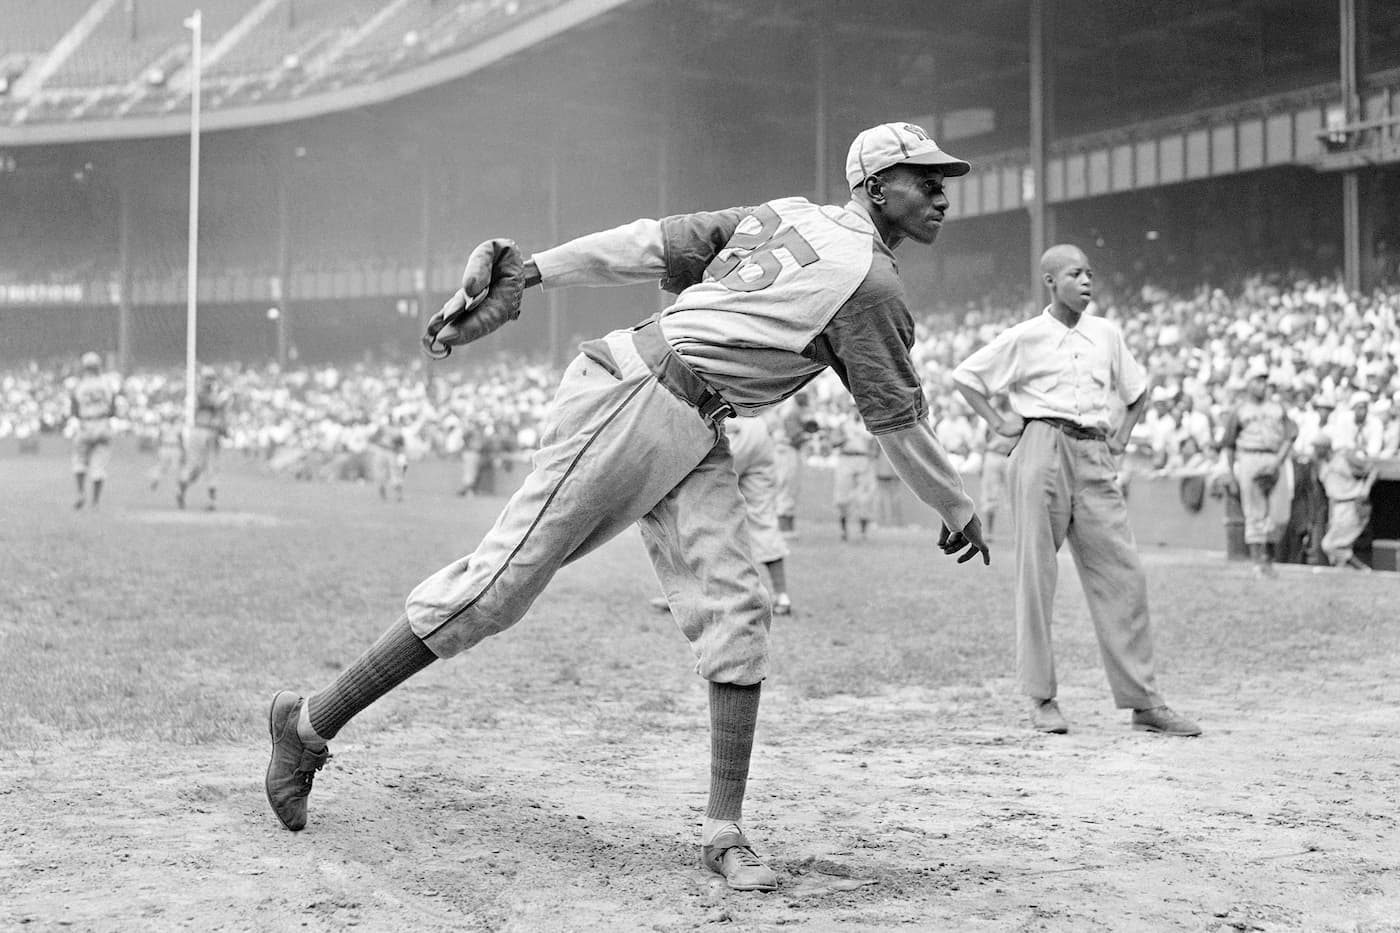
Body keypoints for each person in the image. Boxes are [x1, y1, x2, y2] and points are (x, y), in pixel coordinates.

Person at [264, 120, 990, 893]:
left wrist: (533, 271)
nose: (943, 192)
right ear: (875, 187)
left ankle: (724, 829)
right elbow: (899, 424)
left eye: (944, 178)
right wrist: (956, 505)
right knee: (494, 589)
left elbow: (648, 242)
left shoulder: (784, 215)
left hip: (696, 421)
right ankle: (306, 723)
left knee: (739, 608)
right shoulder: (869, 284)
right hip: (637, 396)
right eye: (924, 177)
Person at [952, 243, 1201, 738]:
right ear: (1050, 282)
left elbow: (1137, 390)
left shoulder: (1106, 333)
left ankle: (1144, 702)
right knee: (1036, 575)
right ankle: (1041, 698)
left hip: (1093, 451)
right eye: (1074, 273)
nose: (1086, 281)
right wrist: (1000, 420)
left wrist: (1124, 434)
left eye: (1090, 273)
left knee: (1124, 573)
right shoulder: (1027, 336)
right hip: (1041, 443)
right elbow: (967, 377)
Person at [650, 415, 794, 616]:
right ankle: (782, 596)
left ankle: (687, 595)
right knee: (762, 516)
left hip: (726, 423)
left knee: (692, 511)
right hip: (758, 428)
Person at [1220, 361, 1297, 577]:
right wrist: (1231, 472)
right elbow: (1228, 444)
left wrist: (1278, 461)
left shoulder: (1277, 407)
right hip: (1249, 457)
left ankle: (1269, 561)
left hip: (1274, 458)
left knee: (1279, 514)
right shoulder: (1240, 409)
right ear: (1249, 383)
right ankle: (1258, 563)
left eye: (1264, 380)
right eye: (1258, 380)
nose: (1262, 384)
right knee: (1254, 513)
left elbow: (1291, 435)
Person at [68, 351, 118, 510]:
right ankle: (95, 502)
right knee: (99, 466)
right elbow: (113, 409)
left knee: (79, 461)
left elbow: (74, 410)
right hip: (102, 423)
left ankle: (80, 492)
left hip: (85, 424)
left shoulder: (79, 385)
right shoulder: (107, 384)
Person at [178, 367, 229, 511]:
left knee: (210, 467)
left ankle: (212, 501)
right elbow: (213, 404)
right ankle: (182, 491)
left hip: (207, 432)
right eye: (208, 379)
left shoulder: (212, 394)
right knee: (195, 467)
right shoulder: (201, 393)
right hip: (201, 430)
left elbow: (220, 415)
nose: (210, 382)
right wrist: (223, 398)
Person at [829, 400, 879, 541]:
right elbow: (833, 442)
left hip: (864, 459)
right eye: (855, 407)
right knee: (842, 496)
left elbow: (877, 445)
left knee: (866, 497)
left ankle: (863, 532)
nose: (857, 410)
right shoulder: (843, 425)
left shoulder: (870, 424)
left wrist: (873, 453)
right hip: (847, 458)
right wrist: (844, 438)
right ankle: (844, 530)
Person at [772, 392, 818, 535]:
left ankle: (786, 526)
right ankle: (784, 528)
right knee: (787, 486)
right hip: (786, 450)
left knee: (789, 487)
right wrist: (807, 434)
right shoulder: (791, 411)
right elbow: (795, 437)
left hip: (787, 450)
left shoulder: (792, 410)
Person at [148, 414, 185, 493]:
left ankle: (177, 486)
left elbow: (180, 438)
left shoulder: (177, 426)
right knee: (163, 466)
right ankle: (156, 479)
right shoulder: (165, 426)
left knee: (175, 468)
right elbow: (159, 437)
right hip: (167, 447)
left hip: (172, 447)